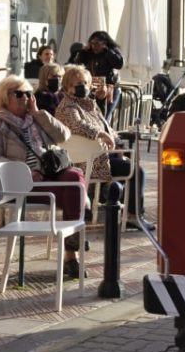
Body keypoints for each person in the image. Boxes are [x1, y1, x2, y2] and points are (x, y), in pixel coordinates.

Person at [0, 75, 86, 278]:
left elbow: (64, 135)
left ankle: (71, 246)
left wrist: (39, 113)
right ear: (5, 98)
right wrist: (24, 171)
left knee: (75, 178)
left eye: (29, 93)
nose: (25, 98)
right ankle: (71, 253)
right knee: (75, 187)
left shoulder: (36, 118)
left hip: (47, 177)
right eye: (19, 94)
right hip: (20, 186)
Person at [54, 66, 151, 232]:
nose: (83, 86)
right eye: (78, 83)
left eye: (85, 82)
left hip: (99, 154)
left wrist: (116, 140)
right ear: (68, 86)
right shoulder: (67, 106)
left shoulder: (88, 104)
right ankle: (133, 216)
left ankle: (116, 201)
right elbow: (78, 125)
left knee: (128, 159)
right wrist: (101, 134)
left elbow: (105, 126)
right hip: (88, 162)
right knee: (136, 171)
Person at [69, 31, 124, 119]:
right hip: (93, 88)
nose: (94, 46)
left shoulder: (111, 52)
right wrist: (83, 51)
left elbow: (119, 64)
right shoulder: (89, 53)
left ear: (104, 43)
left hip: (110, 89)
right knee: (93, 116)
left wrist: (107, 51)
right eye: (92, 43)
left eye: (97, 43)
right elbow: (77, 64)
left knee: (104, 117)